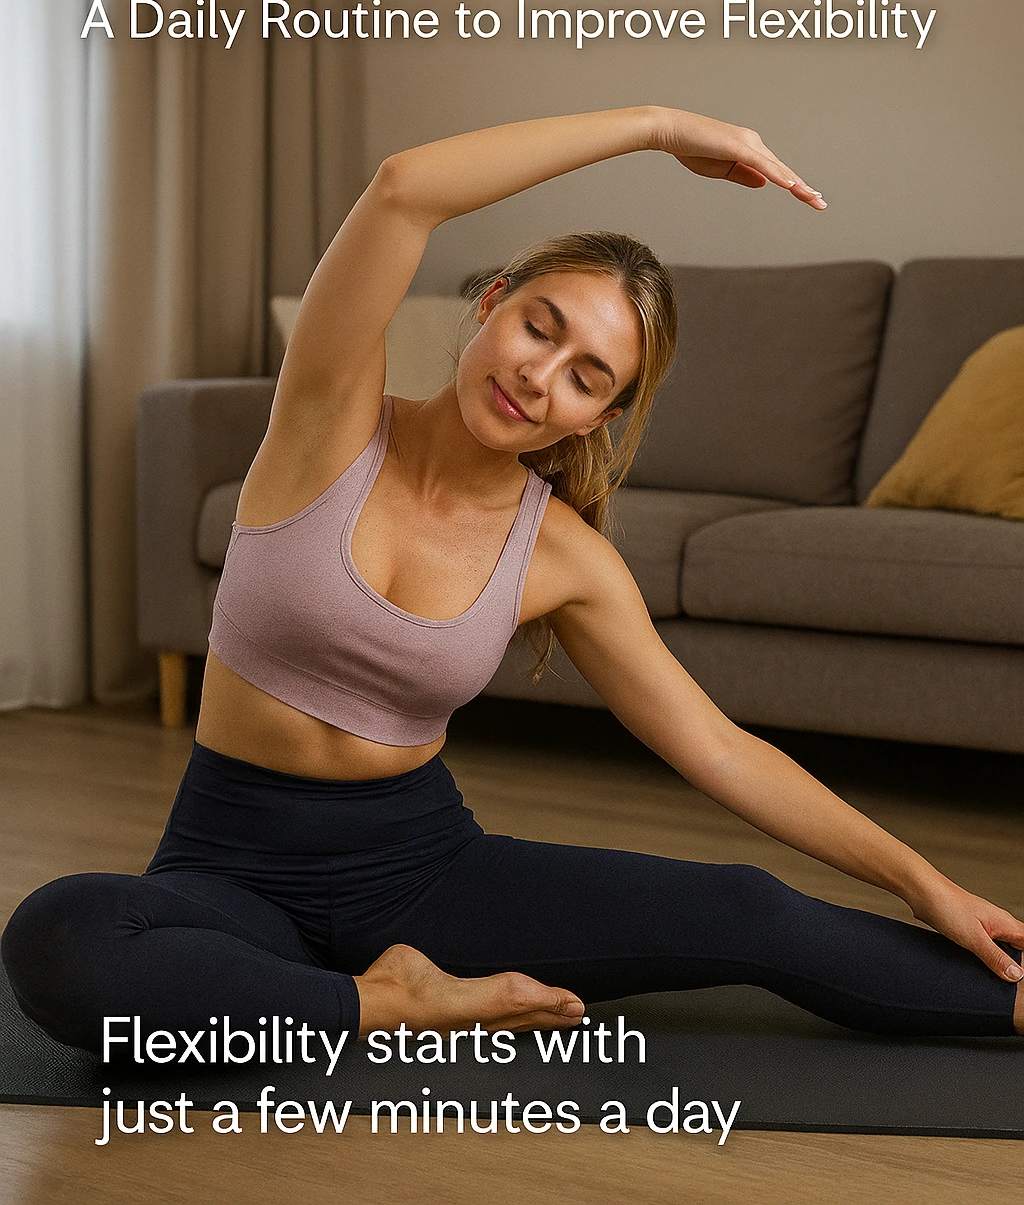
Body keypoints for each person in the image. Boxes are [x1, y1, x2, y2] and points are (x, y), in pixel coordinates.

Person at [4, 104, 1023, 1055]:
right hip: (228, 868)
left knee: (749, 912)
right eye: (540, 325)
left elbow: (716, 747)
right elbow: (405, 187)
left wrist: (919, 881)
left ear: (598, 420)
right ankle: (385, 1003)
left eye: (588, 376)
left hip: (422, 874)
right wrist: (658, 125)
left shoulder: (566, 559)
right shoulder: (329, 420)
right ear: (489, 306)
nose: (541, 376)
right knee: (61, 938)